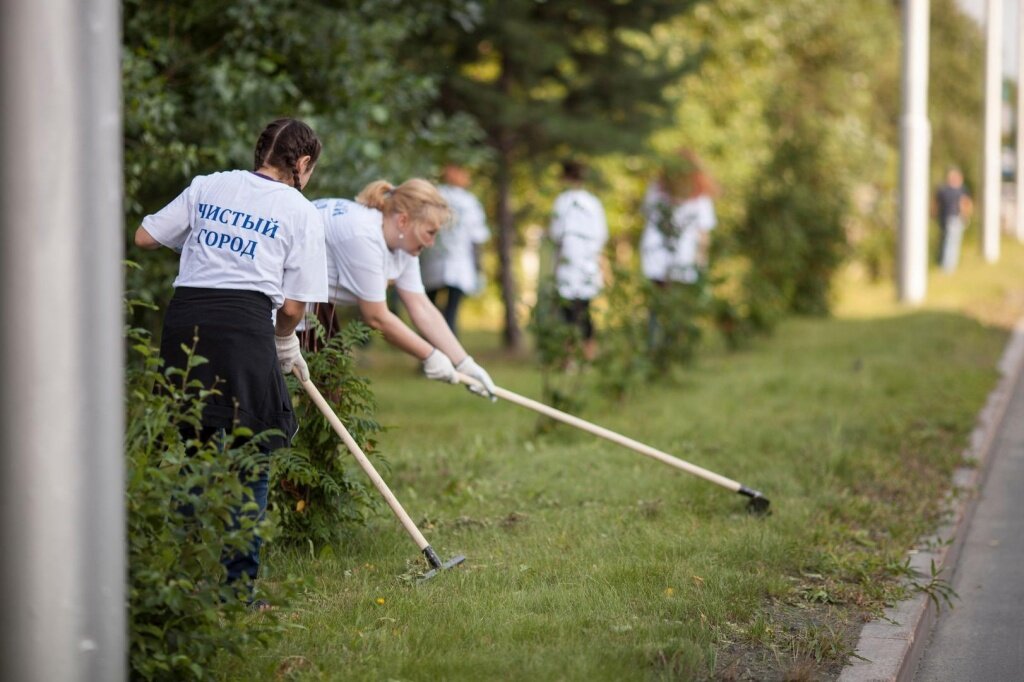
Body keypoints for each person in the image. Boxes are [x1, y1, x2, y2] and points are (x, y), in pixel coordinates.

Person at [134, 118, 327, 601]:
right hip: (244, 327)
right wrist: (286, 343)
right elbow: (293, 309)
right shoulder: (300, 210)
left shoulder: (210, 185)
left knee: (196, 450)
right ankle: (236, 589)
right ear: (302, 164)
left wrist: (204, 240)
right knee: (252, 453)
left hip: (186, 322)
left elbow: (145, 237)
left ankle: (175, 578)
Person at [312, 179, 497, 398]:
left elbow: (421, 307)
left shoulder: (403, 243)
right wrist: (430, 355)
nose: (431, 243)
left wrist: (464, 363)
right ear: (403, 221)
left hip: (310, 301)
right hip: (279, 294)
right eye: (430, 232)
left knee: (328, 392)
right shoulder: (364, 236)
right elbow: (376, 317)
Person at [639, 149, 718, 353]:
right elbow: (703, 235)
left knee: (659, 305)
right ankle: (668, 348)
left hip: (665, 255)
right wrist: (701, 262)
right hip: (674, 256)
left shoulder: (661, 192)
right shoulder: (660, 192)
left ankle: (660, 347)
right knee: (674, 306)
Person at [419, 164, 491, 337]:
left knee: (427, 311)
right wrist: (479, 269)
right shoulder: (470, 202)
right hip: (460, 264)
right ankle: (449, 355)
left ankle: (428, 355)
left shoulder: (435, 195)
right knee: (451, 313)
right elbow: (477, 239)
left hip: (432, 261)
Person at [547, 160, 608, 360]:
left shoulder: (562, 201)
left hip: (569, 262)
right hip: (588, 263)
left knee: (569, 314)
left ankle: (570, 357)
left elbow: (555, 233)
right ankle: (587, 355)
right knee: (584, 311)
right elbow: (601, 234)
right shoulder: (594, 202)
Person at [935, 166, 973, 273]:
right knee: (951, 243)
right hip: (955, 219)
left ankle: (946, 265)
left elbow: (935, 205)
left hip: (944, 219)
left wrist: (933, 215)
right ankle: (948, 267)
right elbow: (965, 204)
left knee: (946, 242)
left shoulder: (942, 189)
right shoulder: (960, 190)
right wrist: (965, 217)